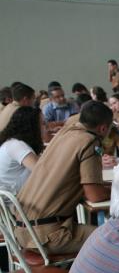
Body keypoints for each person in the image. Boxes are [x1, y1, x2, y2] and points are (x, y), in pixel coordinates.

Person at [15, 101, 112, 255]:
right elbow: (94, 195)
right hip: (47, 236)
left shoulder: (64, 133)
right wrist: (117, 190)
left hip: (22, 232)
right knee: (114, 238)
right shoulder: (89, 142)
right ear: (103, 128)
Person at [0, 106, 44, 194]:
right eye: (42, 123)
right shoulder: (17, 146)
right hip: (15, 202)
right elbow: (42, 172)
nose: (45, 127)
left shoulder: (12, 142)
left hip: (13, 196)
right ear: (31, 126)